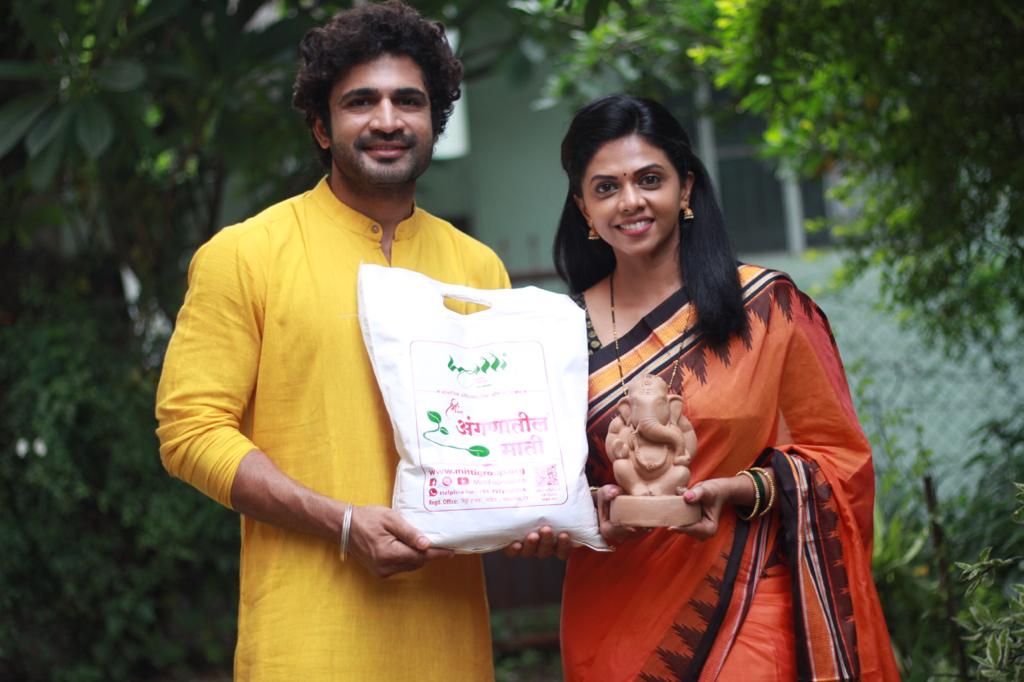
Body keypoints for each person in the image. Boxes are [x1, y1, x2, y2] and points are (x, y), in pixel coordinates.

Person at [155, 3, 560, 679]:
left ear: (435, 120)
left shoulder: (477, 267)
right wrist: (341, 522)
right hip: (308, 645)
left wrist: (532, 514)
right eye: (360, 101)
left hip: (449, 646)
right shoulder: (246, 254)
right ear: (322, 125)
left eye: (409, 101)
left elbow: (499, 447)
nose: (387, 120)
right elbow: (189, 431)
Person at [553, 94, 900, 681]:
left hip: (749, 599)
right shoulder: (557, 331)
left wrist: (743, 488)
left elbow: (839, 459)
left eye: (649, 179)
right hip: (613, 615)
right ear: (584, 206)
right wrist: (589, 510)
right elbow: (545, 483)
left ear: (685, 187)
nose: (630, 201)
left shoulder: (765, 308)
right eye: (606, 187)